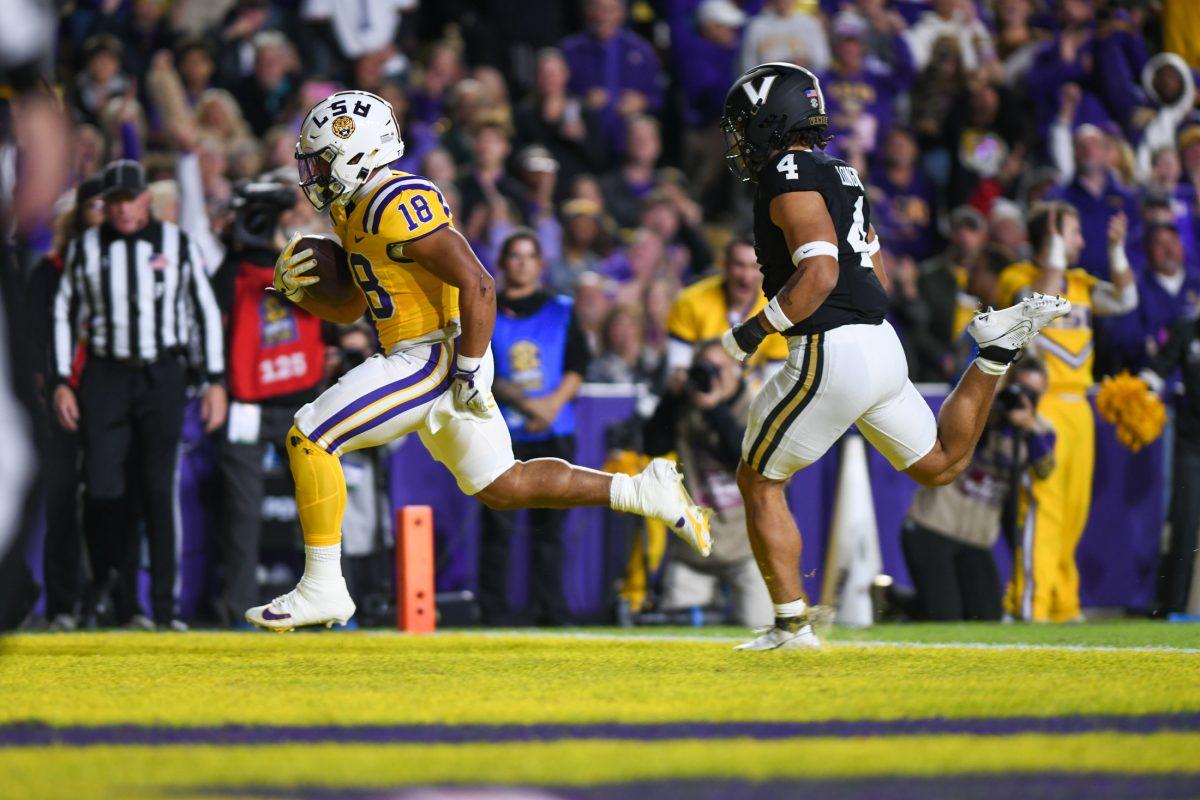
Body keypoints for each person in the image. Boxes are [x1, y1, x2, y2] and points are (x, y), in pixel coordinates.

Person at [246, 91, 711, 631]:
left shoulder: (395, 201)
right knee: (503, 486)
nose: (315, 175)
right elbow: (354, 305)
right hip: (423, 353)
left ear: (356, 153)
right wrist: (302, 293)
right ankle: (642, 490)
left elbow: (479, 283)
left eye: (322, 160)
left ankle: (323, 586)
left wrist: (466, 365)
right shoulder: (357, 206)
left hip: (433, 355)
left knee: (310, 435)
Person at [717, 63, 1069, 651]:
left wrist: (753, 332)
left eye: (745, 124)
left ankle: (791, 626)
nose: (741, 138)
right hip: (879, 341)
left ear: (770, 120)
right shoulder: (844, 173)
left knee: (758, 481)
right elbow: (874, 271)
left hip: (831, 346)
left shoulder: (786, 170)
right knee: (940, 464)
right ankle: (994, 356)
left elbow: (822, 272)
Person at [52, 158, 228, 630]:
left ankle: (163, 611)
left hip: (161, 373)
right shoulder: (88, 246)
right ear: (104, 206)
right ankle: (110, 592)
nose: (124, 210)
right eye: (114, 202)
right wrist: (61, 381)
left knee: (156, 488)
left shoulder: (176, 243)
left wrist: (214, 380)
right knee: (105, 489)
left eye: (131, 199)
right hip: (106, 374)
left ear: (148, 199)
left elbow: (204, 311)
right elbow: (64, 312)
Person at [996, 201, 1138, 622]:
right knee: (1045, 506)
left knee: (1074, 511)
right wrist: (1055, 247)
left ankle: (1062, 602)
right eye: (1073, 233)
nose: (1081, 241)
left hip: (1080, 408)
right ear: (1053, 237)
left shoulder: (1081, 282)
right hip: (1042, 406)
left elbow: (1126, 298)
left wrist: (1117, 251)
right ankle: (1029, 604)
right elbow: (1039, 304)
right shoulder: (1018, 278)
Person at [210, 180, 327, 628]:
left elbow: (337, 309)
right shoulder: (233, 270)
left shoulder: (307, 257)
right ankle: (237, 610)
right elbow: (213, 309)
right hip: (247, 405)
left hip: (303, 400)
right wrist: (237, 246)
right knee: (240, 514)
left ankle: (330, 607)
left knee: (318, 509)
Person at [480, 229, 590, 625]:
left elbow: (579, 365)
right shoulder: (486, 310)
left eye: (530, 256)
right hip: (502, 434)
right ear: (504, 264)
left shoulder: (562, 308)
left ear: (540, 264)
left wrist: (551, 405)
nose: (522, 263)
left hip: (555, 430)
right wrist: (529, 404)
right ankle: (492, 612)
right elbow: (482, 369)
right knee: (498, 529)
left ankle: (551, 611)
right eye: (515, 255)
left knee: (551, 532)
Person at [902, 358, 1055, 622]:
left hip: (977, 540)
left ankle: (899, 600)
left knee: (988, 619)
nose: (1023, 397)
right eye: (1020, 388)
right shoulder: (983, 409)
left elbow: (1044, 469)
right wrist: (995, 412)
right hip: (934, 526)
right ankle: (901, 604)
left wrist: (1028, 430)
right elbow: (963, 437)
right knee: (946, 618)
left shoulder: (1041, 429)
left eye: (1033, 392)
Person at [644, 341, 772, 628]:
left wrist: (715, 410)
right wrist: (671, 398)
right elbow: (652, 445)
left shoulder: (758, 406)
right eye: (706, 369)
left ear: (738, 371)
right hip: (694, 552)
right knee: (674, 644)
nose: (712, 377)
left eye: (719, 369)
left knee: (764, 633)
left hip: (749, 549)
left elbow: (748, 460)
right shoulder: (686, 407)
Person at [666, 236, 788, 380]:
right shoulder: (690, 301)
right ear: (724, 264)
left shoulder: (777, 311)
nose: (746, 276)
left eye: (754, 267)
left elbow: (772, 378)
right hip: (697, 389)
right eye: (739, 265)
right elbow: (677, 372)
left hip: (750, 396)